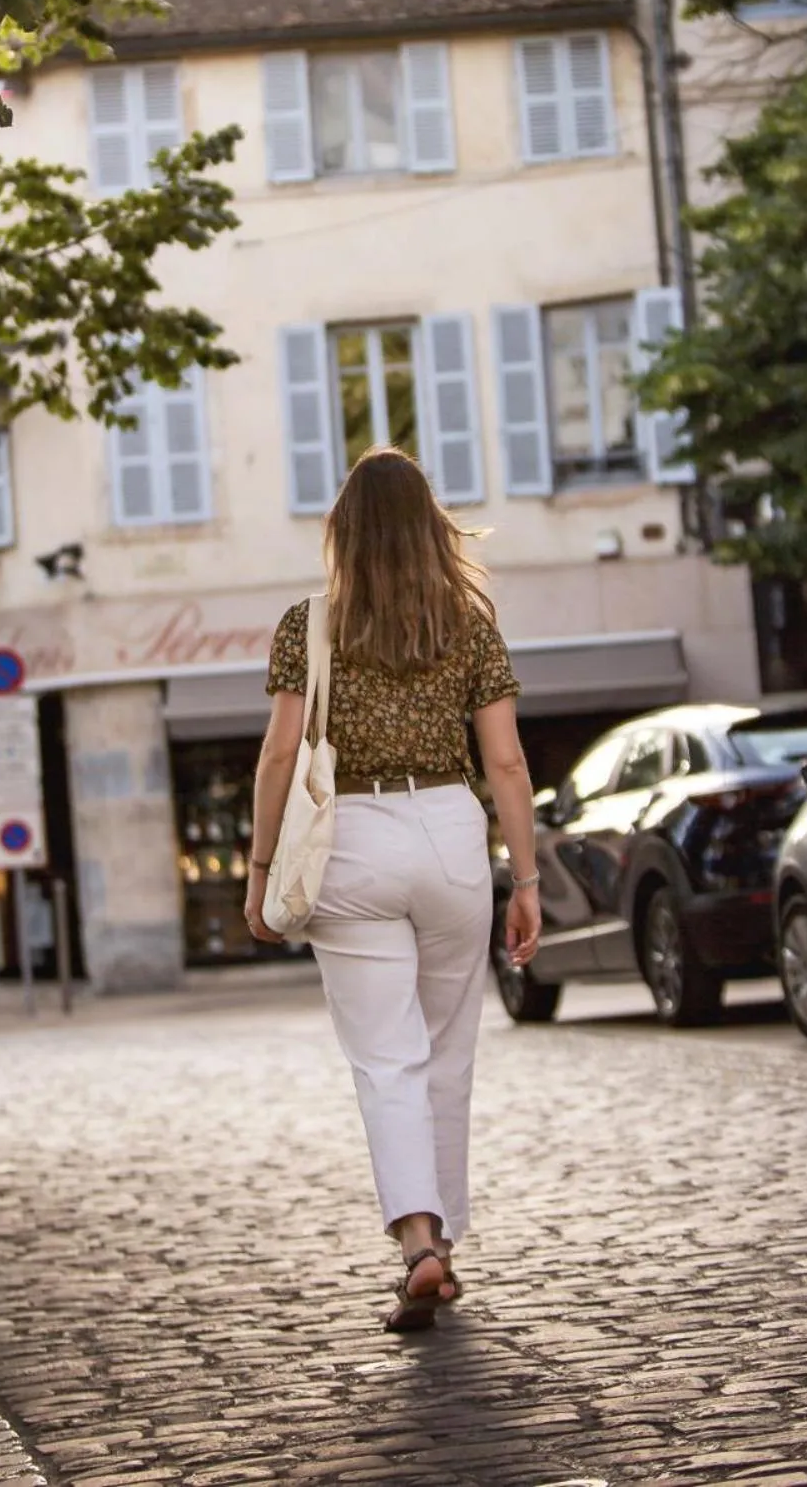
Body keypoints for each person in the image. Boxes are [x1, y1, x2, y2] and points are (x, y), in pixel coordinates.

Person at [244, 446, 542, 1333]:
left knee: (386, 1057)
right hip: (452, 832)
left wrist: (262, 871)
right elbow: (507, 761)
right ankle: (442, 1247)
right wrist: (524, 877)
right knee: (448, 1051)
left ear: (344, 532)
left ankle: (417, 1242)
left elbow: (279, 753)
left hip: (353, 842)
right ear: (429, 529)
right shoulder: (468, 621)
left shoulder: (311, 623)